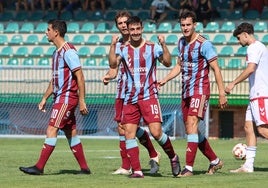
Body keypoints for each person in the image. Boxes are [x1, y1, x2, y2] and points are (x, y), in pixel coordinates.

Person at [104, 16, 181, 178]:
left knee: (157, 133)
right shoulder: (123, 48)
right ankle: (137, 171)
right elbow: (113, 65)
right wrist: (112, 45)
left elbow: (167, 62)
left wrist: (164, 45)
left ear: (142, 28)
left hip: (149, 97)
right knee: (129, 133)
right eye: (132, 30)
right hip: (130, 98)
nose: (135, 32)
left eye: (138, 29)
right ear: (129, 31)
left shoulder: (152, 47)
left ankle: (173, 157)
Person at [158, 10, 227, 177]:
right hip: (186, 91)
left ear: (194, 25)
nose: (185, 28)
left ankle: (188, 168)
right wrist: (165, 79)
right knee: (191, 129)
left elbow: (216, 68)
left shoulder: (204, 44)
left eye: (188, 24)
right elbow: (179, 66)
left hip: (200, 90)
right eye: (182, 25)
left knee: (192, 124)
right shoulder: (181, 42)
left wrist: (222, 92)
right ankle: (215, 161)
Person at [19, 19, 91, 175]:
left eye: (48, 29)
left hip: (66, 98)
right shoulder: (56, 53)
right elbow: (55, 79)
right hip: (59, 97)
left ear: (56, 32)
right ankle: (85, 169)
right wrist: (44, 98)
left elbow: (80, 77)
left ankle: (39, 167)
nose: (46, 32)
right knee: (70, 132)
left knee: (52, 128)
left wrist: (82, 101)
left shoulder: (69, 51)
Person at [102, 10, 161, 175]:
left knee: (130, 128)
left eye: (125, 22)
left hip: (142, 93)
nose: (123, 26)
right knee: (123, 128)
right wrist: (108, 76)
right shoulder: (120, 45)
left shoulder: (141, 43)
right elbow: (114, 69)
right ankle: (127, 165)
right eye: (120, 23)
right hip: (123, 92)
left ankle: (151, 154)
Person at [225, 22, 268, 173]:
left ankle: (248, 165)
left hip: (260, 94)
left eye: (238, 38)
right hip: (255, 95)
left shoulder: (254, 47)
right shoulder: (260, 46)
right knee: (248, 128)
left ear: (245, 34)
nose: (238, 41)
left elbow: (251, 69)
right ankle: (248, 166)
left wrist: (232, 83)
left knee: (263, 130)